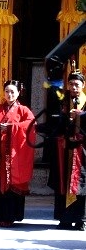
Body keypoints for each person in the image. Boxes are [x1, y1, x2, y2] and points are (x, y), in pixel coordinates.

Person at [0, 79, 36, 228]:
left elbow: (30, 124)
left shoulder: (23, 111)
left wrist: (9, 128)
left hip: (14, 156)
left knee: (11, 185)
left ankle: (11, 216)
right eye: (7, 91)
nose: (9, 95)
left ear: (18, 93)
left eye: (12, 92)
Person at [49, 71, 86, 230]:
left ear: (83, 85)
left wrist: (82, 114)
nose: (73, 87)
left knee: (81, 184)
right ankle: (64, 218)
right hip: (64, 150)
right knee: (63, 182)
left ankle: (81, 219)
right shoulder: (62, 100)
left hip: (82, 149)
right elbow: (53, 119)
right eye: (71, 84)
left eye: (77, 84)